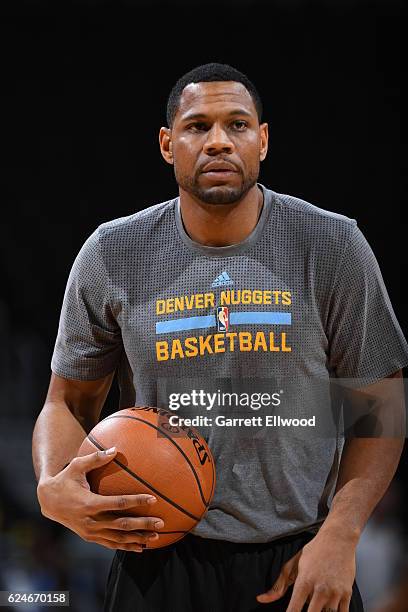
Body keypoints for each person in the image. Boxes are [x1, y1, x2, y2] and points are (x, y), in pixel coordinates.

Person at [32, 63, 408, 612]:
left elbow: (379, 405)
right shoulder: (113, 252)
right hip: (154, 553)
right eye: (196, 126)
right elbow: (66, 401)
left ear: (262, 140)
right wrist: (52, 485)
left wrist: (343, 533)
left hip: (299, 554)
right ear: (167, 144)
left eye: (236, 125)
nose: (217, 142)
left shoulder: (331, 243)